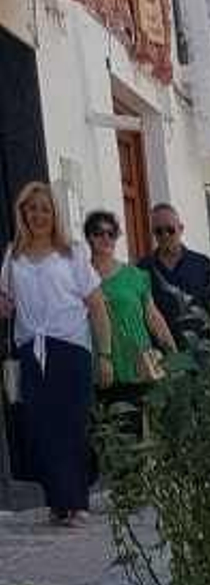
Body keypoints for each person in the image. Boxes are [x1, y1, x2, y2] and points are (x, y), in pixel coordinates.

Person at [0, 179, 114, 523]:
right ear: (23, 213)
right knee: (39, 428)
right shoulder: (12, 255)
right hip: (29, 352)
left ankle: (76, 503)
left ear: (55, 214)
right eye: (32, 208)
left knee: (72, 425)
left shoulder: (73, 253)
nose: (38, 215)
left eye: (45, 209)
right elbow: (7, 300)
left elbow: (96, 306)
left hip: (70, 350)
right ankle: (56, 502)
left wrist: (104, 354)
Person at [84, 209, 175, 443]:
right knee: (105, 440)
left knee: (138, 438)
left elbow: (153, 317)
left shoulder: (135, 275)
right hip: (99, 367)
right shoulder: (79, 276)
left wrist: (173, 353)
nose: (105, 238)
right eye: (98, 233)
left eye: (111, 233)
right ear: (89, 237)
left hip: (137, 365)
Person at [139, 204, 210, 345]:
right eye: (159, 231)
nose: (165, 235)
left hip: (203, 353)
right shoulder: (143, 269)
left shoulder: (202, 264)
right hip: (164, 358)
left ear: (181, 229)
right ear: (153, 233)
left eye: (170, 230)